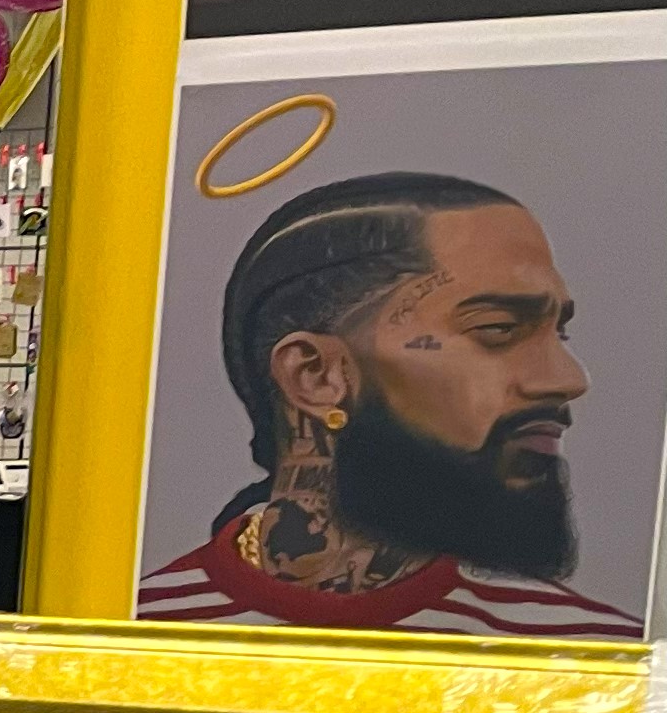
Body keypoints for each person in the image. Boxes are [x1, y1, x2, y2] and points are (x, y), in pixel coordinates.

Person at [138, 171, 632, 636]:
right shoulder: (123, 640)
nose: (567, 379)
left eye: (558, 331)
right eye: (498, 329)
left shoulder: (592, 659)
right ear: (315, 374)